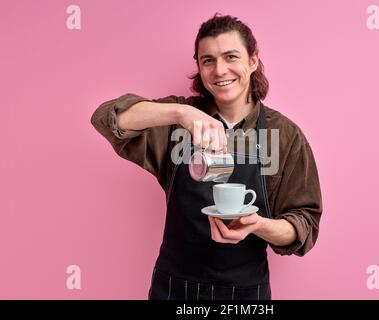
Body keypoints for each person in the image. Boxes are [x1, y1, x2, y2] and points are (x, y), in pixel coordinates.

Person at [91, 13, 323, 300]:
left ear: (253, 61)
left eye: (231, 56)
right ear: (199, 68)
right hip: (175, 289)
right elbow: (106, 118)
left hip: (245, 294)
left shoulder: (285, 136)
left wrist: (259, 225)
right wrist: (182, 113)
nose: (220, 70)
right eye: (208, 60)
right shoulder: (177, 123)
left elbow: (304, 225)